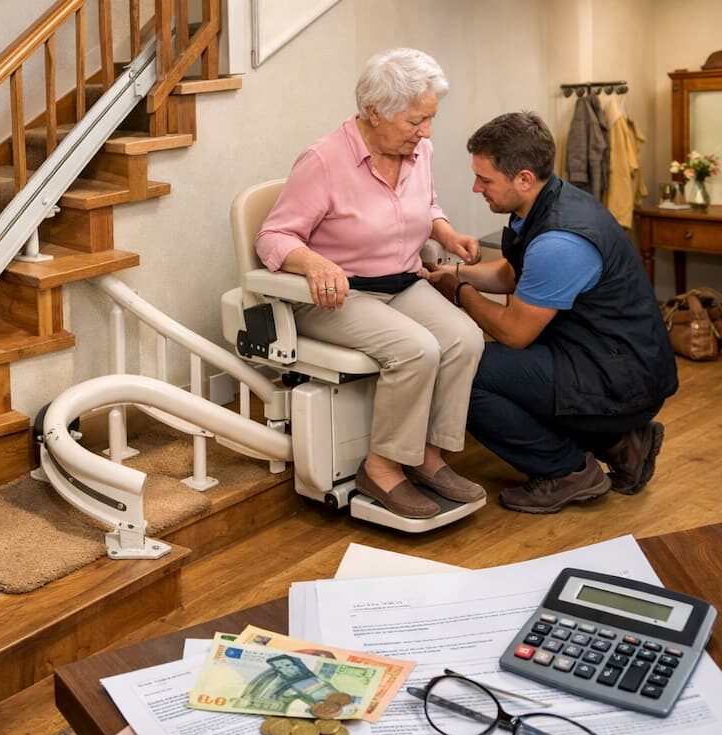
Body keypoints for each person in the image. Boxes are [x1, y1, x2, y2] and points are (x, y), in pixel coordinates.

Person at [255, 48, 485, 520]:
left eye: (429, 119)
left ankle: (427, 456)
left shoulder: (420, 151)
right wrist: (313, 263)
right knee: (417, 348)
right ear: (374, 111)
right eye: (415, 121)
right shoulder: (322, 161)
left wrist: (446, 232)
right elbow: (273, 236)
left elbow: (427, 205)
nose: (425, 132)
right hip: (339, 295)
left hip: (400, 282)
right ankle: (379, 469)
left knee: (465, 338)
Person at [425, 111, 677, 514]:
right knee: (494, 367)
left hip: (619, 381)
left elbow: (513, 332)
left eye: (485, 180)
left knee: (461, 373)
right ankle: (622, 442)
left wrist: (462, 292)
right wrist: (451, 272)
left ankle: (567, 471)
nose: (476, 188)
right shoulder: (548, 201)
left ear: (523, 178)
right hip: (614, 361)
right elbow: (514, 272)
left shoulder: (560, 240)